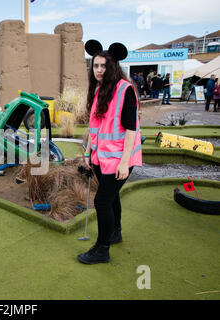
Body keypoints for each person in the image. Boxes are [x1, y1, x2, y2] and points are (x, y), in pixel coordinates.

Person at [79, 39, 142, 265]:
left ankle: (102, 249)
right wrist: (88, 152)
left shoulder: (124, 90)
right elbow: (94, 126)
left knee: (102, 202)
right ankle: (115, 232)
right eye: (96, 65)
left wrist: (125, 163)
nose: (99, 70)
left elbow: (131, 129)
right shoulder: (99, 90)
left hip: (119, 159)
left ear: (113, 66)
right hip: (101, 157)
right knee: (111, 198)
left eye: (104, 66)